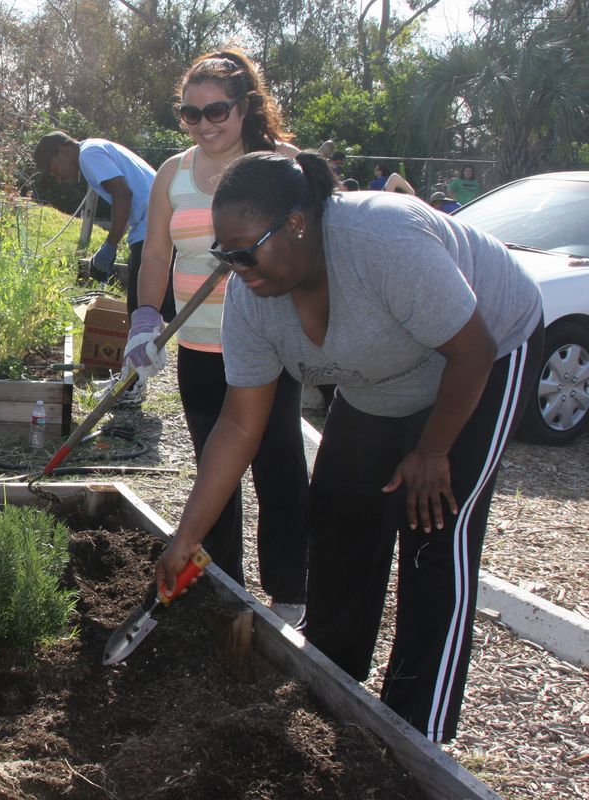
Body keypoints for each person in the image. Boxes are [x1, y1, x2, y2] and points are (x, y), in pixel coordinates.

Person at [155, 150, 543, 743]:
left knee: (433, 536)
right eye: (223, 254)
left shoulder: (382, 242)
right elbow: (238, 427)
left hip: (482, 354)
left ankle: (418, 735)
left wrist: (433, 451)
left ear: (296, 224)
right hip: (382, 379)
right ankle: (332, 684)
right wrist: (185, 538)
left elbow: (473, 352)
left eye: (243, 250)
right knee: (337, 519)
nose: (235, 268)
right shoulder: (252, 299)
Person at [121, 49, 310, 625]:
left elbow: (313, 249)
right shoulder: (173, 174)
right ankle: (222, 579)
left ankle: (290, 592)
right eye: (191, 114)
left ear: (246, 106)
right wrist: (146, 318)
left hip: (268, 346)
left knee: (277, 462)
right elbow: (157, 251)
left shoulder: (282, 167)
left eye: (217, 111)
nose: (205, 125)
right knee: (213, 469)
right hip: (199, 345)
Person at [32, 130, 171, 406]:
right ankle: (128, 376)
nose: (58, 177)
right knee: (142, 307)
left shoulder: (88, 154)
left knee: (141, 309)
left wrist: (110, 245)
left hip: (153, 227)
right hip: (156, 222)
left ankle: (132, 386)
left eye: (53, 169)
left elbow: (123, 194)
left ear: (62, 150)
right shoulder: (95, 150)